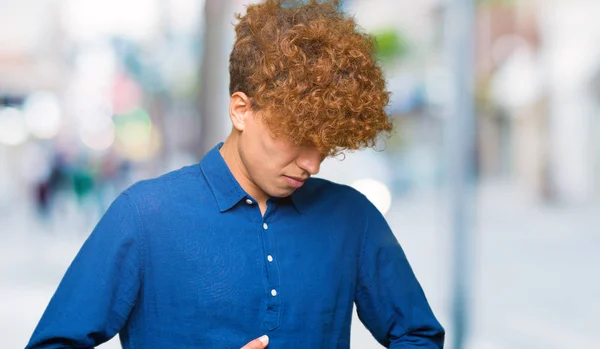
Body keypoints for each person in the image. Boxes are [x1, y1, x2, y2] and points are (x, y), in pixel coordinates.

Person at [26, 0, 445, 348]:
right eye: (297, 139)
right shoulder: (144, 216)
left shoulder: (352, 217)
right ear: (241, 110)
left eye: (325, 145)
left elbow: (419, 335)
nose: (313, 165)